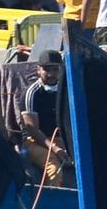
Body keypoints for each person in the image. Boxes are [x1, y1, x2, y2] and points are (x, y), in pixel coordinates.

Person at [20, 50, 70, 184]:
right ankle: (54, 202)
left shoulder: (66, 91)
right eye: (47, 69)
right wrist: (55, 149)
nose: (51, 74)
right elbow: (33, 130)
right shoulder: (31, 93)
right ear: (38, 70)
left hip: (60, 140)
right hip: (34, 142)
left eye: (55, 69)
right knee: (54, 168)